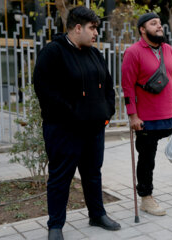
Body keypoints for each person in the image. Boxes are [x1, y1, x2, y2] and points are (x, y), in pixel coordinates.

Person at [34, 6, 120, 240]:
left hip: (93, 129)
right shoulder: (53, 52)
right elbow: (44, 90)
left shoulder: (95, 54)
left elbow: (109, 87)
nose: (96, 34)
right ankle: (55, 226)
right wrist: (73, 114)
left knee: (93, 174)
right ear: (78, 27)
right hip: (64, 130)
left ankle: (97, 214)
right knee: (60, 177)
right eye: (92, 28)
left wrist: (106, 113)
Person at [121, 12, 172, 216]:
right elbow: (127, 87)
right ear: (142, 29)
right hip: (146, 119)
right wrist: (133, 116)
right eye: (153, 23)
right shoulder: (133, 52)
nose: (159, 26)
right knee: (147, 159)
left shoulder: (168, 49)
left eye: (160, 23)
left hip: (169, 115)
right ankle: (146, 197)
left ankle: (148, 194)